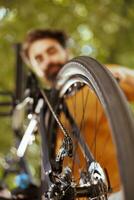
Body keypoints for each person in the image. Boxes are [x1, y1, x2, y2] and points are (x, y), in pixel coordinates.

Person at [22, 29, 134, 199]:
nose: (47, 61)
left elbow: (130, 77)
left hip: (125, 185)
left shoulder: (99, 76)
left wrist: (120, 76)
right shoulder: (45, 112)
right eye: (38, 59)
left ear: (66, 51)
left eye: (51, 51)